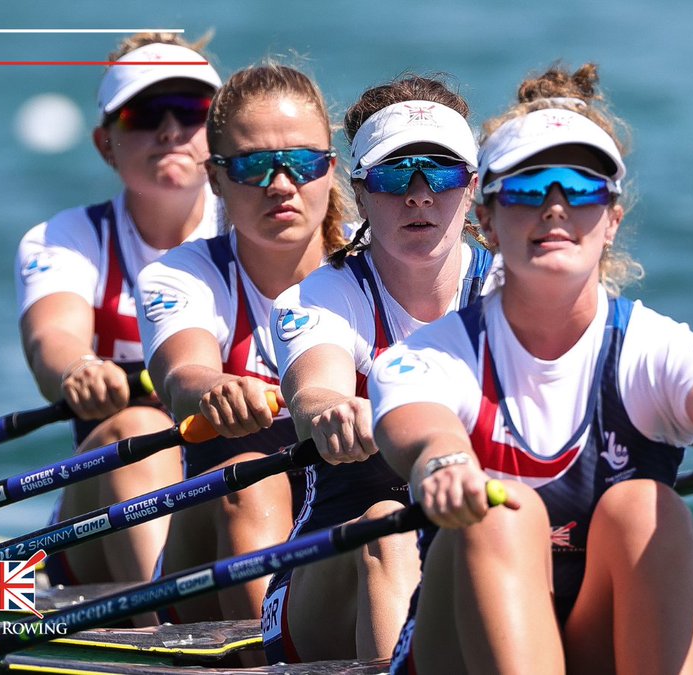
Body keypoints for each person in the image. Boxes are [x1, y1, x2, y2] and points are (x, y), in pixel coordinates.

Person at [368, 64, 693, 674]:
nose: (555, 207)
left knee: (644, 507)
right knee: (507, 510)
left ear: (611, 220)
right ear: (488, 221)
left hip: (597, 635)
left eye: (580, 189)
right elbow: (421, 431)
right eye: (529, 189)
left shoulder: (653, 348)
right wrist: (443, 464)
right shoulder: (430, 358)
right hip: (453, 651)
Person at [262, 76, 493, 663]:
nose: (419, 195)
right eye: (395, 175)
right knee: (389, 523)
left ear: (471, 188)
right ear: (361, 193)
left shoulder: (511, 290)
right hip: (326, 585)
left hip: (475, 552)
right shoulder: (320, 299)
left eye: (439, 172)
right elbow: (315, 389)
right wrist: (333, 413)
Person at [135, 62, 351, 622]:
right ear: (215, 177)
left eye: (303, 162)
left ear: (331, 168)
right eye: (254, 166)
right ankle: (266, 646)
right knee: (252, 479)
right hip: (213, 552)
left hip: (338, 542)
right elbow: (182, 377)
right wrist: (213, 389)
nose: (281, 184)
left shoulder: (378, 272)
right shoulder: (181, 276)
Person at [14, 33, 222, 587]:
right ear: (106, 143)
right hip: (101, 520)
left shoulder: (258, 233)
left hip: (235, 493)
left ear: (219, 133)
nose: (171, 130)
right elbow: (51, 339)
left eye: (192, 110)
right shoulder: (68, 238)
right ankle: (163, 630)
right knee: (138, 427)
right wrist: (78, 369)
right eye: (145, 113)